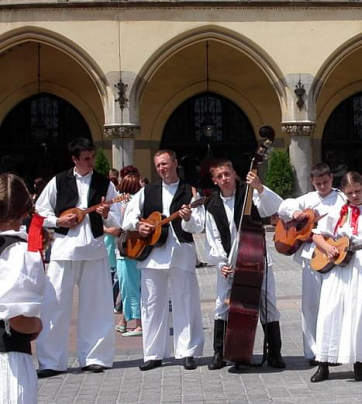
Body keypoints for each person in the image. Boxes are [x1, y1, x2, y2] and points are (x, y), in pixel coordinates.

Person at [35, 137, 121, 377]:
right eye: (86, 158)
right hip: (64, 250)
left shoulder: (105, 184)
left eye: (93, 157)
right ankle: (51, 361)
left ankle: (95, 357)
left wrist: (106, 215)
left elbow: (118, 218)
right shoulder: (58, 181)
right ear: (74, 159)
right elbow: (40, 212)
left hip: (93, 249)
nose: (91, 162)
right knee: (55, 305)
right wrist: (58, 221)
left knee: (97, 306)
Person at [122, 150, 205, 371]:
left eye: (165, 164)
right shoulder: (146, 191)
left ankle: (188, 351)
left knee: (185, 301)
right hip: (152, 253)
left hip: (181, 251)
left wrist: (188, 218)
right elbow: (128, 215)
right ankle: (153, 354)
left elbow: (199, 224)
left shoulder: (190, 191)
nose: (162, 168)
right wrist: (138, 225)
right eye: (158, 165)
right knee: (151, 304)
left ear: (175, 163)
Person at [204, 158, 285, 370]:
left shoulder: (249, 193)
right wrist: (220, 262)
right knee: (222, 304)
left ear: (235, 174)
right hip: (229, 263)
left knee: (268, 303)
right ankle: (219, 353)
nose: (225, 179)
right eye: (220, 176)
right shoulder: (212, 205)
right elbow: (213, 238)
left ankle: (275, 352)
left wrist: (259, 187)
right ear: (214, 181)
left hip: (256, 258)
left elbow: (275, 207)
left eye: (227, 174)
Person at [310, 171, 362, 383]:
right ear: (343, 192)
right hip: (337, 265)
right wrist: (328, 248)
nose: (354, 196)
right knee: (330, 310)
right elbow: (317, 234)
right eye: (350, 192)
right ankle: (323, 363)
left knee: (359, 312)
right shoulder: (338, 210)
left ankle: (358, 363)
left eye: (358, 191)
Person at [277, 163, 346, 365]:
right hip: (310, 255)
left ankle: (334, 350)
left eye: (325, 183)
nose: (322, 187)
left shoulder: (342, 198)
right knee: (311, 304)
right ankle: (313, 351)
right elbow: (282, 207)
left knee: (334, 304)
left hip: (334, 252)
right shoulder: (307, 199)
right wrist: (294, 214)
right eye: (317, 184)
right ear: (312, 182)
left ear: (331, 178)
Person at [0, 173, 45, 403]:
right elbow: (17, 319)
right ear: (24, 211)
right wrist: (37, 324)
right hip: (8, 359)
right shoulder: (20, 252)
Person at [115, 170, 143, 337]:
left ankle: (138, 323)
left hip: (126, 249)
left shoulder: (124, 203)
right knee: (130, 285)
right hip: (135, 248)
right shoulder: (139, 201)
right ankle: (124, 321)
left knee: (129, 287)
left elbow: (119, 225)